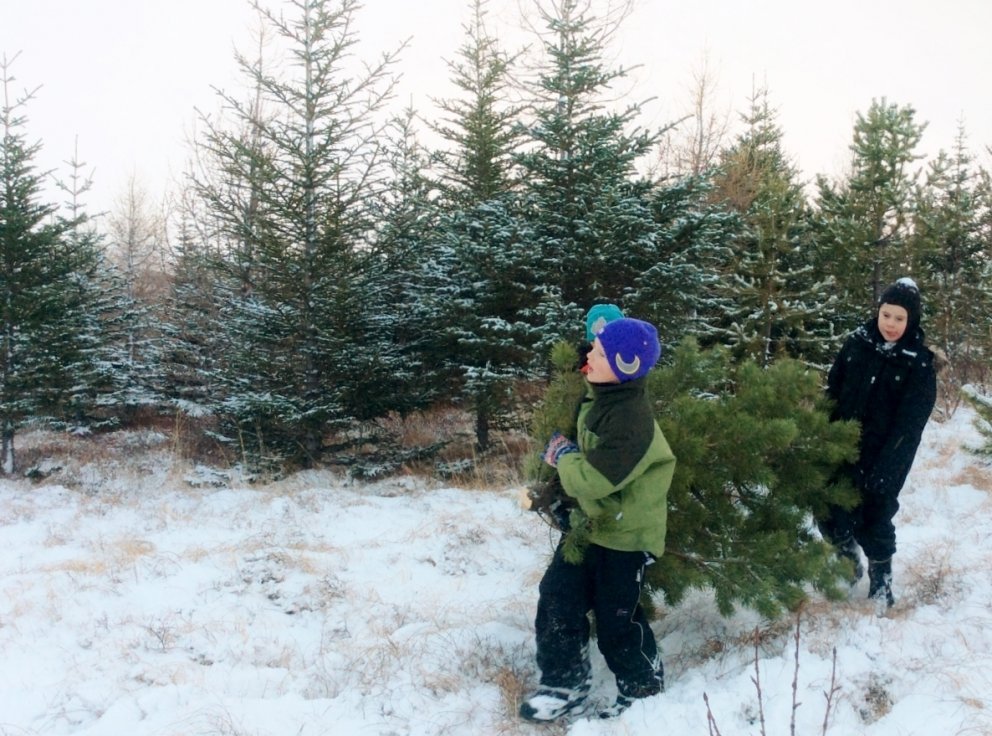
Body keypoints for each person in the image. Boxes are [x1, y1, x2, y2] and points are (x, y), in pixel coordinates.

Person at [519, 317, 676, 721]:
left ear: (624, 367)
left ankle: (643, 690)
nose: (590, 353)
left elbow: (594, 480)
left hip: (626, 536)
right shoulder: (602, 396)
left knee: (616, 620)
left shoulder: (631, 421)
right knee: (557, 597)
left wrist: (563, 456)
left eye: (600, 352)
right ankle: (563, 684)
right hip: (592, 524)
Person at [817, 277, 937, 608]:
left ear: (911, 320)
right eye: (886, 315)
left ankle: (881, 585)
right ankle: (847, 564)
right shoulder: (857, 344)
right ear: (878, 312)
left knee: (875, 518)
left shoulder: (918, 364)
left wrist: (887, 470)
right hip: (841, 447)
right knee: (828, 510)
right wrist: (821, 435)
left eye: (899, 318)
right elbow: (833, 391)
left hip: (884, 457)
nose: (891, 324)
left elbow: (909, 428)